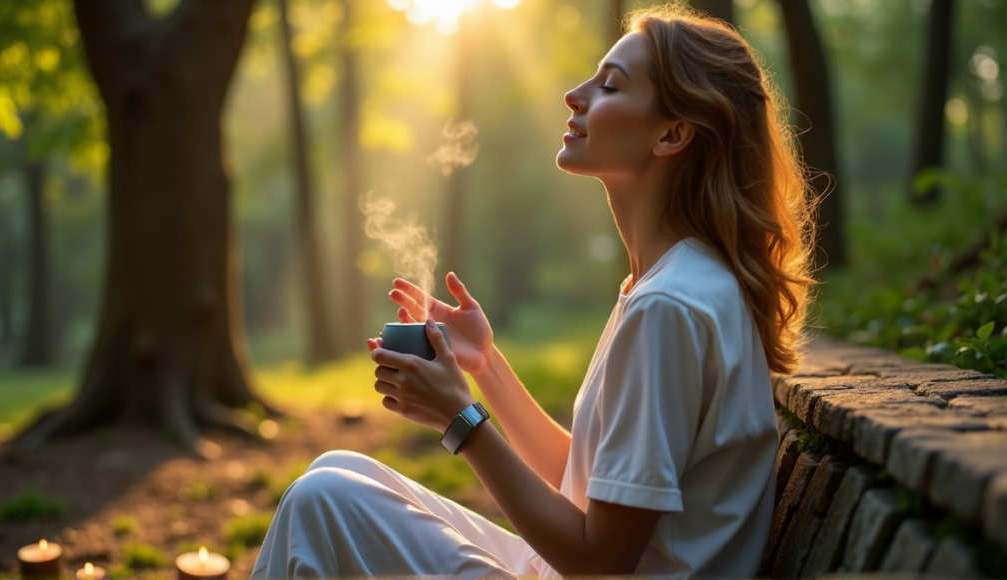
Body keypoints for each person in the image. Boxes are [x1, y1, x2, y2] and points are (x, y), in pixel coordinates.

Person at [251, 4, 817, 578]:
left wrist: (460, 421)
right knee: (338, 469)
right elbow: (587, 481)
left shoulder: (668, 306)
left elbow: (600, 561)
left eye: (609, 85)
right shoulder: (671, 283)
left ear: (671, 134)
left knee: (322, 500)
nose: (575, 95)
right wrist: (486, 365)